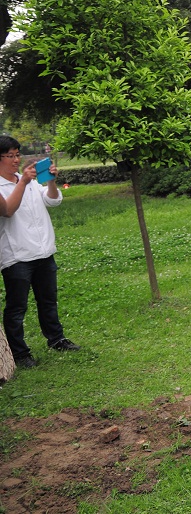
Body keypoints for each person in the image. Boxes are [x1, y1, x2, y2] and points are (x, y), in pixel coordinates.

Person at [0, 136, 80, 369]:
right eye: (10, 156)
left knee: (48, 300)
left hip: (43, 251)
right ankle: (20, 352)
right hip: (17, 256)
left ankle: (56, 339)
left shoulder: (30, 181)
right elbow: (8, 211)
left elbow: (52, 201)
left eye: (18, 154)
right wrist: (23, 182)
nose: (16, 160)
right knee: (17, 308)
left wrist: (51, 182)